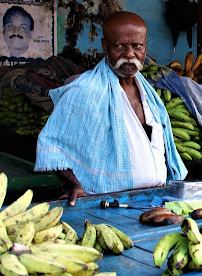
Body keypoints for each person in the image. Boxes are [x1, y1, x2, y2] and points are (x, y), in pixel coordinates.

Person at [35, 11, 187, 205]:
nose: (130, 54)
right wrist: (74, 184)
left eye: (137, 46)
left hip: (154, 200)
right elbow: (51, 144)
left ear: (145, 47)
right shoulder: (86, 90)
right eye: (120, 46)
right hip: (106, 205)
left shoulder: (148, 94)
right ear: (104, 47)